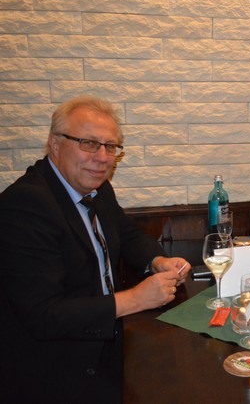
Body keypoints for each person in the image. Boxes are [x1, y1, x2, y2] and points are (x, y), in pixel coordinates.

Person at [0, 96, 192, 403]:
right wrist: (136, 298)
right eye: (89, 143)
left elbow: (126, 234)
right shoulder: (25, 204)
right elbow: (43, 315)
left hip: (112, 340)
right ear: (55, 144)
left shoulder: (96, 188)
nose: (102, 158)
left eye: (110, 146)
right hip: (58, 368)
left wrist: (157, 260)